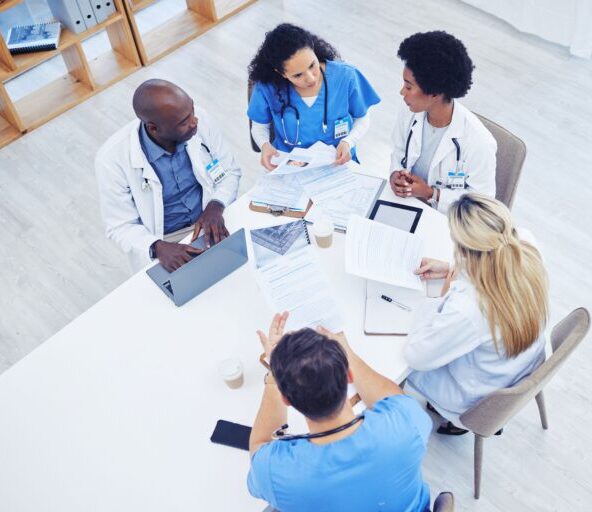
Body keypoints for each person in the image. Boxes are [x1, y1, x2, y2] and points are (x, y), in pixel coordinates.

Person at [248, 312, 432, 512]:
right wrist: (348, 354)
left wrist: (275, 375)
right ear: (349, 375)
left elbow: (259, 445)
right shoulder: (406, 423)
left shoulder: (275, 472)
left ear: (286, 399)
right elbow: (394, 398)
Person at [404, 193, 548, 434]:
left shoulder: (470, 309)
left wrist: (440, 296)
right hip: (522, 365)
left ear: (465, 252)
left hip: (479, 397)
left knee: (403, 368)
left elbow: (416, 356)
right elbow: (495, 272)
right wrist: (454, 270)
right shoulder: (525, 244)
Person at [95, 79, 241, 272]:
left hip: (212, 217)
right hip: (165, 240)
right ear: (154, 128)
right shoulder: (112, 159)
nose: (194, 122)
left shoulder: (197, 119)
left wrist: (216, 205)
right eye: (183, 122)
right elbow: (119, 226)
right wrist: (158, 247)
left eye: (192, 111)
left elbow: (230, 171)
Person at [247, 23, 380, 171]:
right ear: (281, 73)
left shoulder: (345, 76)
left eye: (312, 65)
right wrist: (265, 145)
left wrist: (348, 141)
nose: (310, 78)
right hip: (290, 166)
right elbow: (259, 126)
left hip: (337, 161)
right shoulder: (267, 87)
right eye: (298, 75)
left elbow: (362, 118)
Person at [390, 31, 497, 213]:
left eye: (408, 86)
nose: (402, 92)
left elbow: (482, 207)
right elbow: (399, 152)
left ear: (434, 93)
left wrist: (432, 194)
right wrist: (395, 174)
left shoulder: (479, 142)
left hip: (449, 222)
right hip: (409, 205)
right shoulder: (410, 112)